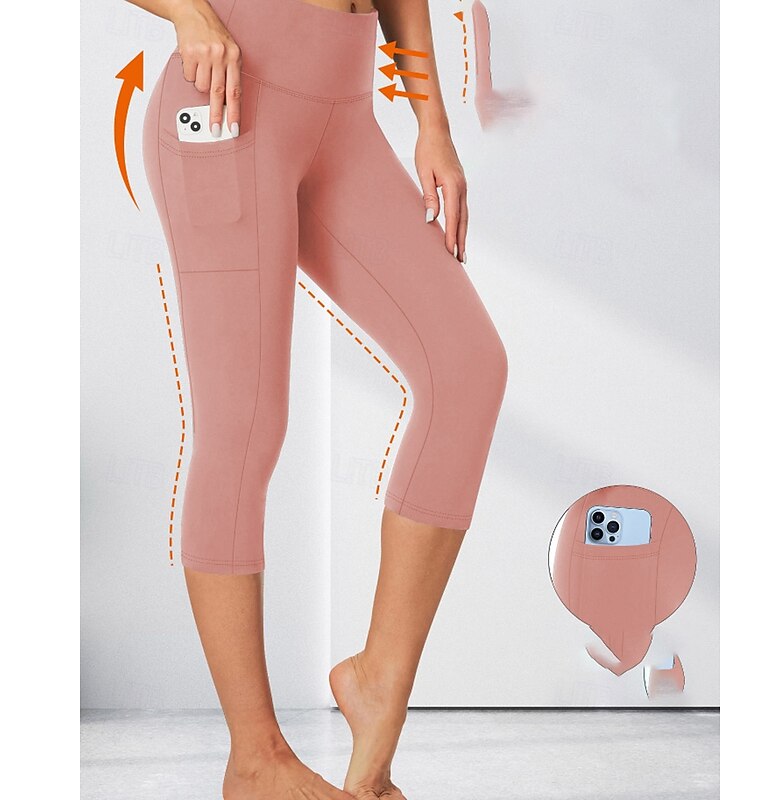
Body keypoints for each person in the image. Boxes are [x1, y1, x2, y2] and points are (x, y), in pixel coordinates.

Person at [131, 0, 508, 797]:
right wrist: (189, 14)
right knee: (244, 429)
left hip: (343, 114)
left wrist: (431, 124)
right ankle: (255, 758)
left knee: (468, 369)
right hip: (227, 100)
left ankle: (379, 680)